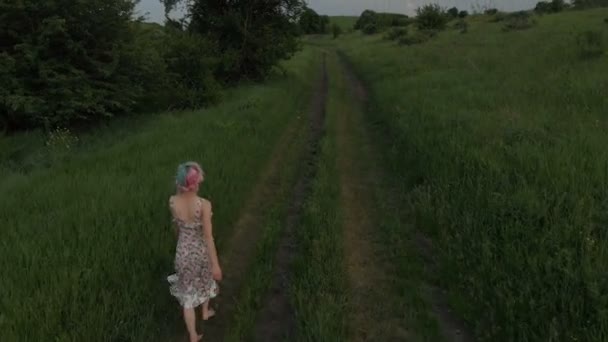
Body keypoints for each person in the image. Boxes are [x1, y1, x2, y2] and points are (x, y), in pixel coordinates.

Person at [167, 161, 222, 342]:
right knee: (206, 282)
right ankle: (205, 312)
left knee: (188, 297)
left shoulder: (173, 201)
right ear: (196, 182)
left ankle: (192, 334)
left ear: (179, 182)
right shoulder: (204, 205)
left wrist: (180, 240)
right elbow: (208, 237)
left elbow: (177, 227)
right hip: (201, 253)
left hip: (183, 252)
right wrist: (215, 264)